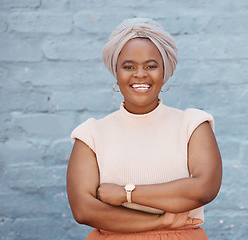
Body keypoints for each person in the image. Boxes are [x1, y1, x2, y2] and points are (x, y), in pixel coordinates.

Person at [66, 18, 222, 240]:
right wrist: (159, 221)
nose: (140, 74)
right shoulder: (91, 134)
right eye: (129, 67)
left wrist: (125, 193)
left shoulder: (193, 124)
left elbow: (203, 189)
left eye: (151, 66)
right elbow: (84, 210)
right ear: (116, 74)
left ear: (164, 73)